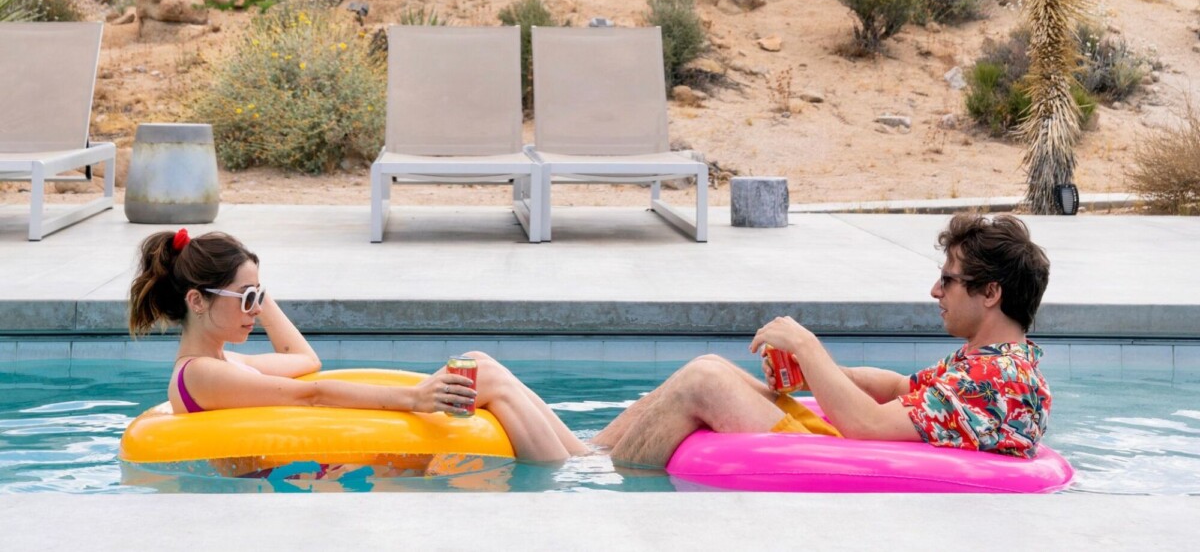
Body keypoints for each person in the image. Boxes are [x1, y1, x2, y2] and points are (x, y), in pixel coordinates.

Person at [594, 213, 1052, 468]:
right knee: (712, 369)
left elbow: (868, 425)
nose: (936, 291)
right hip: (855, 453)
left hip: (846, 463)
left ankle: (599, 475)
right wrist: (812, 373)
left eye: (948, 280)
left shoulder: (996, 378)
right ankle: (590, 457)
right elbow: (898, 388)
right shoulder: (989, 365)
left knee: (704, 381)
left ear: (990, 293)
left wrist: (807, 346)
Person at [128, 228, 586, 464]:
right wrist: (415, 399)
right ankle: (573, 469)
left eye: (258, 297)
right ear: (197, 301)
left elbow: (304, 361)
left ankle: (583, 454)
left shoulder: (225, 362)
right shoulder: (201, 374)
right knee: (485, 377)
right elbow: (312, 393)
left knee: (478, 362)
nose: (255, 309)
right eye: (246, 299)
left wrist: (255, 292)